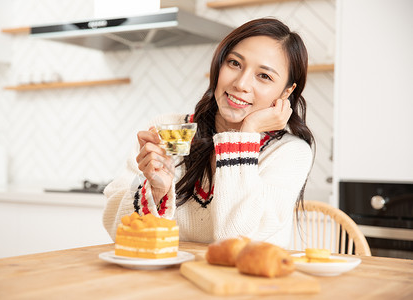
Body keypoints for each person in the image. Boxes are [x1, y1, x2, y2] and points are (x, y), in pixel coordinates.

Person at [103, 17, 314, 248]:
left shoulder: (289, 152)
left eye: (264, 76)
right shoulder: (172, 131)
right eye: (234, 63)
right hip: (169, 280)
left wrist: (246, 134)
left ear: (286, 91)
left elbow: (235, 241)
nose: (241, 83)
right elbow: (119, 231)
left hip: (245, 284)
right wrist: (155, 192)